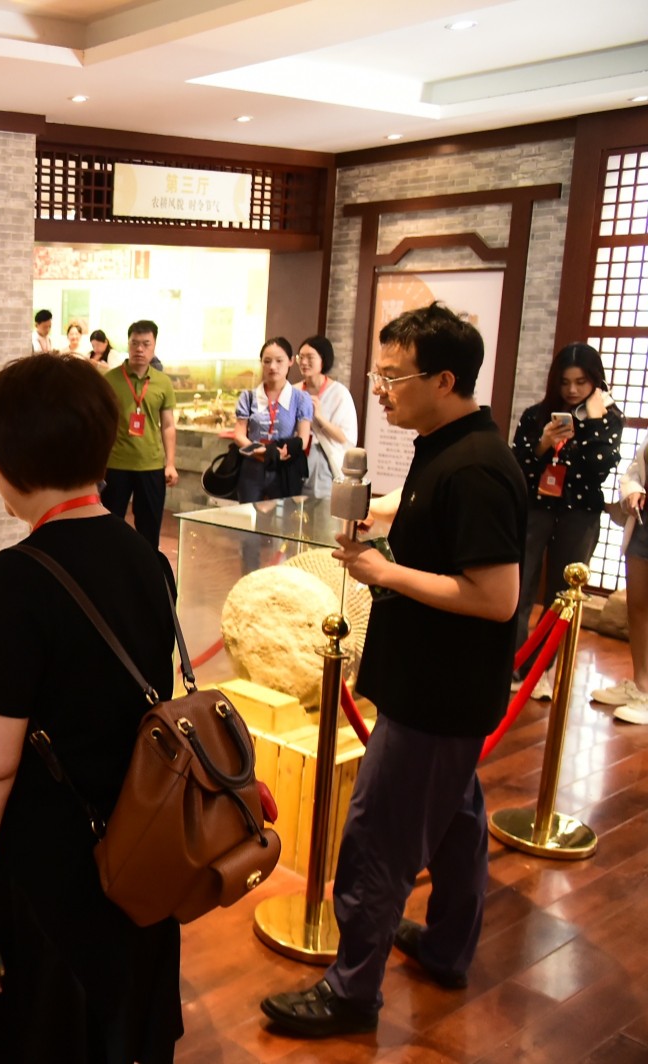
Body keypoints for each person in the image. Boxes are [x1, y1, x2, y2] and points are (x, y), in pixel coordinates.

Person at [261, 303, 525, 1037]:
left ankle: (351, 991)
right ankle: (446, 946)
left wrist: (386, 571)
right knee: (456, 823)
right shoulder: (447, 446)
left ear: (444, 380)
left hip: (436, 693)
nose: (380, 389)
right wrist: (387, 530)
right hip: (440, 687)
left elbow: (496, 597)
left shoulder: (476, 467)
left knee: (379, 837)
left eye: (393, 376)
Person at [0, 354, 182, 1063]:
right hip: (139, 851)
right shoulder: (148, 559)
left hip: (51, 875)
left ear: (12, 460)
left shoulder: (15, 579)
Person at [511, 342, 622, 698]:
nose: (572, 390)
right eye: (564, 382)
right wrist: (543, 444)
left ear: (595, 381)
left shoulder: (608, 417)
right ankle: (513, 664)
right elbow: (518, 465)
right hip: (535, 508)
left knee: (563, 593)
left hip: (580, 512)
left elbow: (600, 466)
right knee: (519, 584)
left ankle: (543, 670)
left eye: (581, 382)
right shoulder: (536, 415)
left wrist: (593, 421)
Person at [100, 319, 177, 550]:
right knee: (109, 526)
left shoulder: (163, 382)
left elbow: (168, 425)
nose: (139, 349)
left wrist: (170, 464)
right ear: (128, 344)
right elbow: (101, 423)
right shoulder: (110, 380)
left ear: (154, 346)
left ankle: (147, 569)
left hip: (151, 465)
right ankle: (110, 567)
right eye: (134, 343)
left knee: (149, 529)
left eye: (145, 344)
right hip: (116, 464)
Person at [596, 440, 648, 723]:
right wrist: (633, 490)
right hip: (643, 520)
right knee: (637, 606)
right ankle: (642, 686)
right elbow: (635, 470)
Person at [233, 337, 313, 503]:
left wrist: (281, 452)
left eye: (279, 361)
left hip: (283, 468)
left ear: (291, 361)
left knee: (283, 516)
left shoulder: (300, 398)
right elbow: (239, 435)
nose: (273, 367)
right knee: (247, 515)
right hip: (252, 468)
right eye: (267, 361)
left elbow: (303, 440)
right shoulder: (248, 397)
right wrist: (259, 451)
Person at [295, 335, 358, 499]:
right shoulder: (294, 390)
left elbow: (345, 438)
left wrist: (319, 417)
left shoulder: (339, 393)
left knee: (318, 506)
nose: (304, 362)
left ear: (323, 360)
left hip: (323, 461)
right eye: (301, 357)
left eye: (310, 357)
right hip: (295, 458)